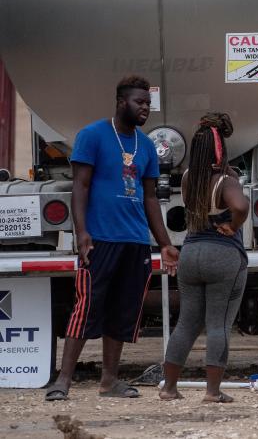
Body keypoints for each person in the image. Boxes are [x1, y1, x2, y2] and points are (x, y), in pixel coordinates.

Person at [45, 76, 179, 402]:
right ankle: (63, 380)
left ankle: (109, 381)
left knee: (123, 311)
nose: (145, 108)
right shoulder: (92, 136)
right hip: (100, 239)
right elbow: (81, 186)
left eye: (148, 103)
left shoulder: (146, 146)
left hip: (135, 242)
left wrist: (164, 242)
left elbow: (150, 199)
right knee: (87, 305)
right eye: (139, 103)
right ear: (121, 102)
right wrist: (82, 233)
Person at [160, 113, 250, 403]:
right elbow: (241, 205)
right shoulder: (225, 180)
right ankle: (212, 391)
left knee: (186, 323)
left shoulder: (187, 179)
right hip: (222, 256)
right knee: (217, 324)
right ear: (220, 149)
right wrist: (234, 225)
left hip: (191, 253)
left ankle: (169, 388)